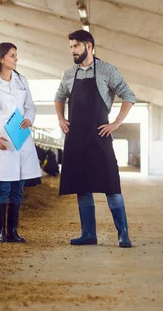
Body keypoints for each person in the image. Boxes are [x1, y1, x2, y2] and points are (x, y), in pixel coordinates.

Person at [54, 30, 135, 248]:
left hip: (100, 136)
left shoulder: (107, 70)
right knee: (82, 186)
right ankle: (88, 233)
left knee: (111, 186)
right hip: (76, 137)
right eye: (71, 47)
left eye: (76, 46)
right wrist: (61, 119)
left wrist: (116, 123)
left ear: (89, 46)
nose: (72, 51)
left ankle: (123, 234)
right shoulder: (69, 74)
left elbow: (129, 96)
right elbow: (59, 97)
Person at [0, 42, 42, 243]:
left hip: (21, 139)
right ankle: (0, 232)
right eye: (12, 55)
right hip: (2, 141)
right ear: (1, 58)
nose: (16, 59)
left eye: (16, 55)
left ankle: (13, 231)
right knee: (2, 189)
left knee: (17, 188)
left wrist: (29, 119)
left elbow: (30, 107)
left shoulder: (22, 81)